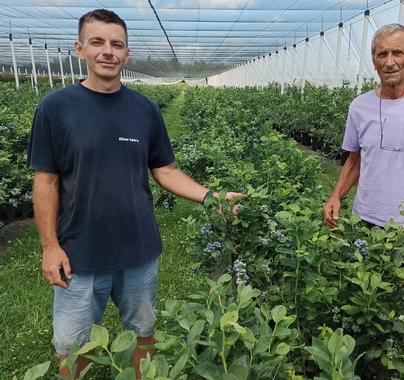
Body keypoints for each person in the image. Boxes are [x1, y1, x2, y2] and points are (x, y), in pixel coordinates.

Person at [26, 9, 246, 378]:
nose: (107, 51)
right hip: (78, 251)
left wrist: (211, 196)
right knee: (72, 346)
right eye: (97, 42)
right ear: (80, 49)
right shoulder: (55, 107)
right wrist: (50, 246)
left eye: (117, 44)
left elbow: (165, 170)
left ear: (127, 54)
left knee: (143, 332)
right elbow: (45, 181)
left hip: (138, 248)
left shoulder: (145, 109)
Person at [323, 23, 404, 247]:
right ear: (374, 61)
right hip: (366, 219)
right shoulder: (359, 106)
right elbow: (354, 160)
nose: (389, 62)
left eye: (398, 53)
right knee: (364, 281)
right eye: (381, 54)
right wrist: (336, 195)